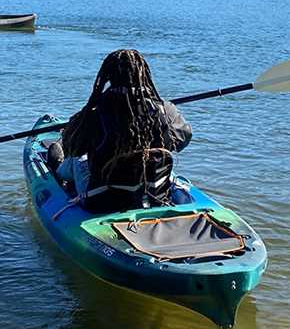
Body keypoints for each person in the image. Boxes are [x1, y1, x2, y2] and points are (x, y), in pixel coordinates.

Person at [48, 49, 192, 213]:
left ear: (108, 76)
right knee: (156, 158)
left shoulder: (95, 112)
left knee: (78, 159)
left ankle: (58, 171)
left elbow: (72, 147)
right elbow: (183, 138)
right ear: (144, 73)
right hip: (154, 195)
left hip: (103, 199)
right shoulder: (165, 110)